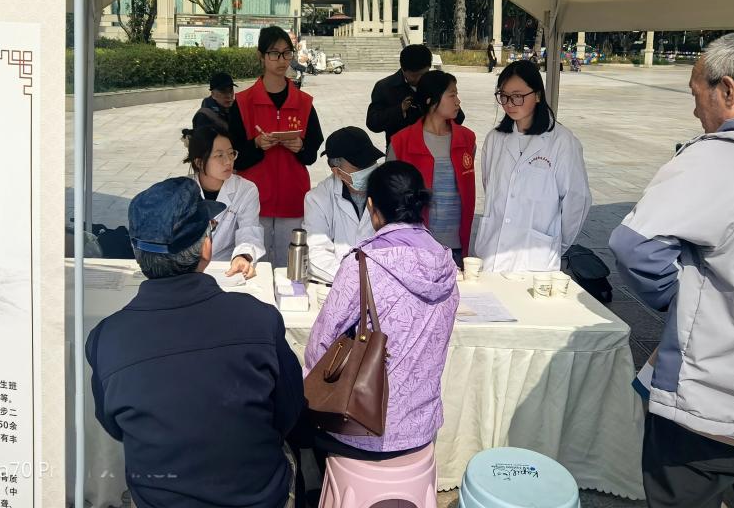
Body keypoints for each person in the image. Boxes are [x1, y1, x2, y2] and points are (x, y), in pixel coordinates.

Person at [609, 32, 734, 508]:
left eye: (696, 94)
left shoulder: (718, 157)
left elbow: (634, 246)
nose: (695, 110)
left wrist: (686, 300)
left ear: (728, 90)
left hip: (712, 401)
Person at [86, 177, 305, 508]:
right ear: (206, 247)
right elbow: (288, 412)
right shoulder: (259, 319)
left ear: (137, 253)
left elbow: (115, 427)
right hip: (257, 497)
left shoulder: (106, 338)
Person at [305, 161, 459, 459]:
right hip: (421, 429)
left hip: (358, 427)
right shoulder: (446, 264)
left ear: (371, 207)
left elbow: (320, 347)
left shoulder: (364, 264)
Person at [474, 60, 592, 272]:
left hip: (536, 256)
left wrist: (554, 244)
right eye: (504, 96)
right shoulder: (495, 139)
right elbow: (489, 184)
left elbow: (577, 201)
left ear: (537, 95)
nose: (510, 103)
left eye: (517, 96)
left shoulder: (562, 142)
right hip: (493, 249)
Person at [229, 26, 324, 266]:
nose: (282, 60)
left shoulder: (303, 102)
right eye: (274, 53)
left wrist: (300, 147)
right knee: (253, 266)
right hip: (253, 202)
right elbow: (232, 156)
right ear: (261, 56)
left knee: (289, 268)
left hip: (293, 199)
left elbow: (312, 154)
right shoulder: (243, 102)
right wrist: (257, 144)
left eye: (287, 53)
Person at [388, 71, 476, 268]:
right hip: (415, 247)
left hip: (456, 247)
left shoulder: (467, 139)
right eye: (452, 95)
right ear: (430, 100)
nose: (458, 101)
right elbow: (390, 198)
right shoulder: (401, 142)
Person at [303, 126, 383, 283]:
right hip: (337, 283)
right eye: (360, 166)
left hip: (382, 284)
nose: (368, 169)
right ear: (337, 171)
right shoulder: (318, 198)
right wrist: (357, 279)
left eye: (371, 161)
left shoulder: (389, 189)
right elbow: (315, 253)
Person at [183, 125, 264, 277]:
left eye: (231, 153)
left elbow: (249, 231)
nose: (228, 161)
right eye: (219, 155)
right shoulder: (181, 192)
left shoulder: (246, 189)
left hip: (226, 268)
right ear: (199, 162)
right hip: (186, 269)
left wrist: (242, 256)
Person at [366, 43, 465, 150]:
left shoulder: (437, 84)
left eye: (423, 74)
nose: (419, 79)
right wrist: (400, 110)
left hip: (435, 149)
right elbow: (373, 123)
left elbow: (459, 118)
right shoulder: (385, 87)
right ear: (403, 69)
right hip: (400, 151)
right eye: (414, 75)